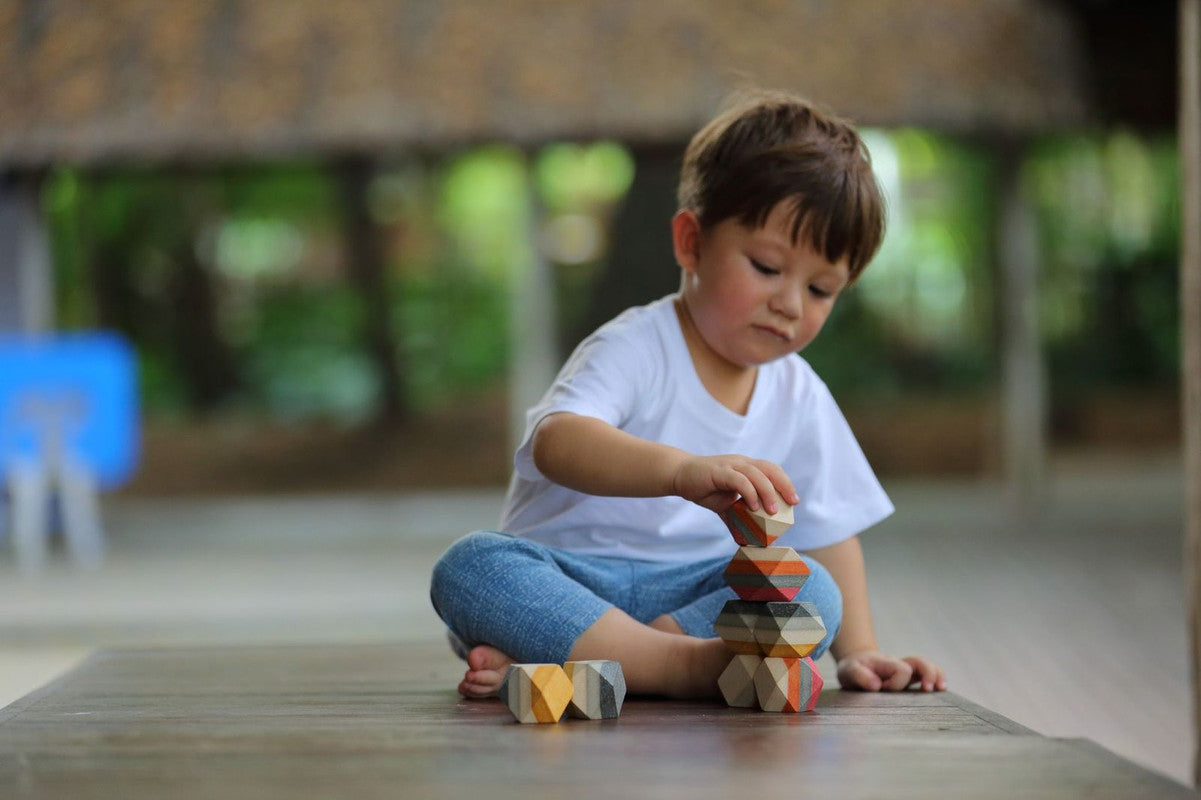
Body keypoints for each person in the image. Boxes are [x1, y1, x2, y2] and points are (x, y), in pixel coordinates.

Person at [429, 89, 946, 700]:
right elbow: (557, 440)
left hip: (695, 596)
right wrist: (679, 471)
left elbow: (830, 529)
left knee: (814, 588)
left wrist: (858, 653)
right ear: (692, 243)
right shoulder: (638, 345)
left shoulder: (799, 391)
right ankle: (680, 667)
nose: (790, 303)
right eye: (766, 267)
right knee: (472, 568)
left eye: (822, 289)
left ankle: (603, 661)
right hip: (571, 582)